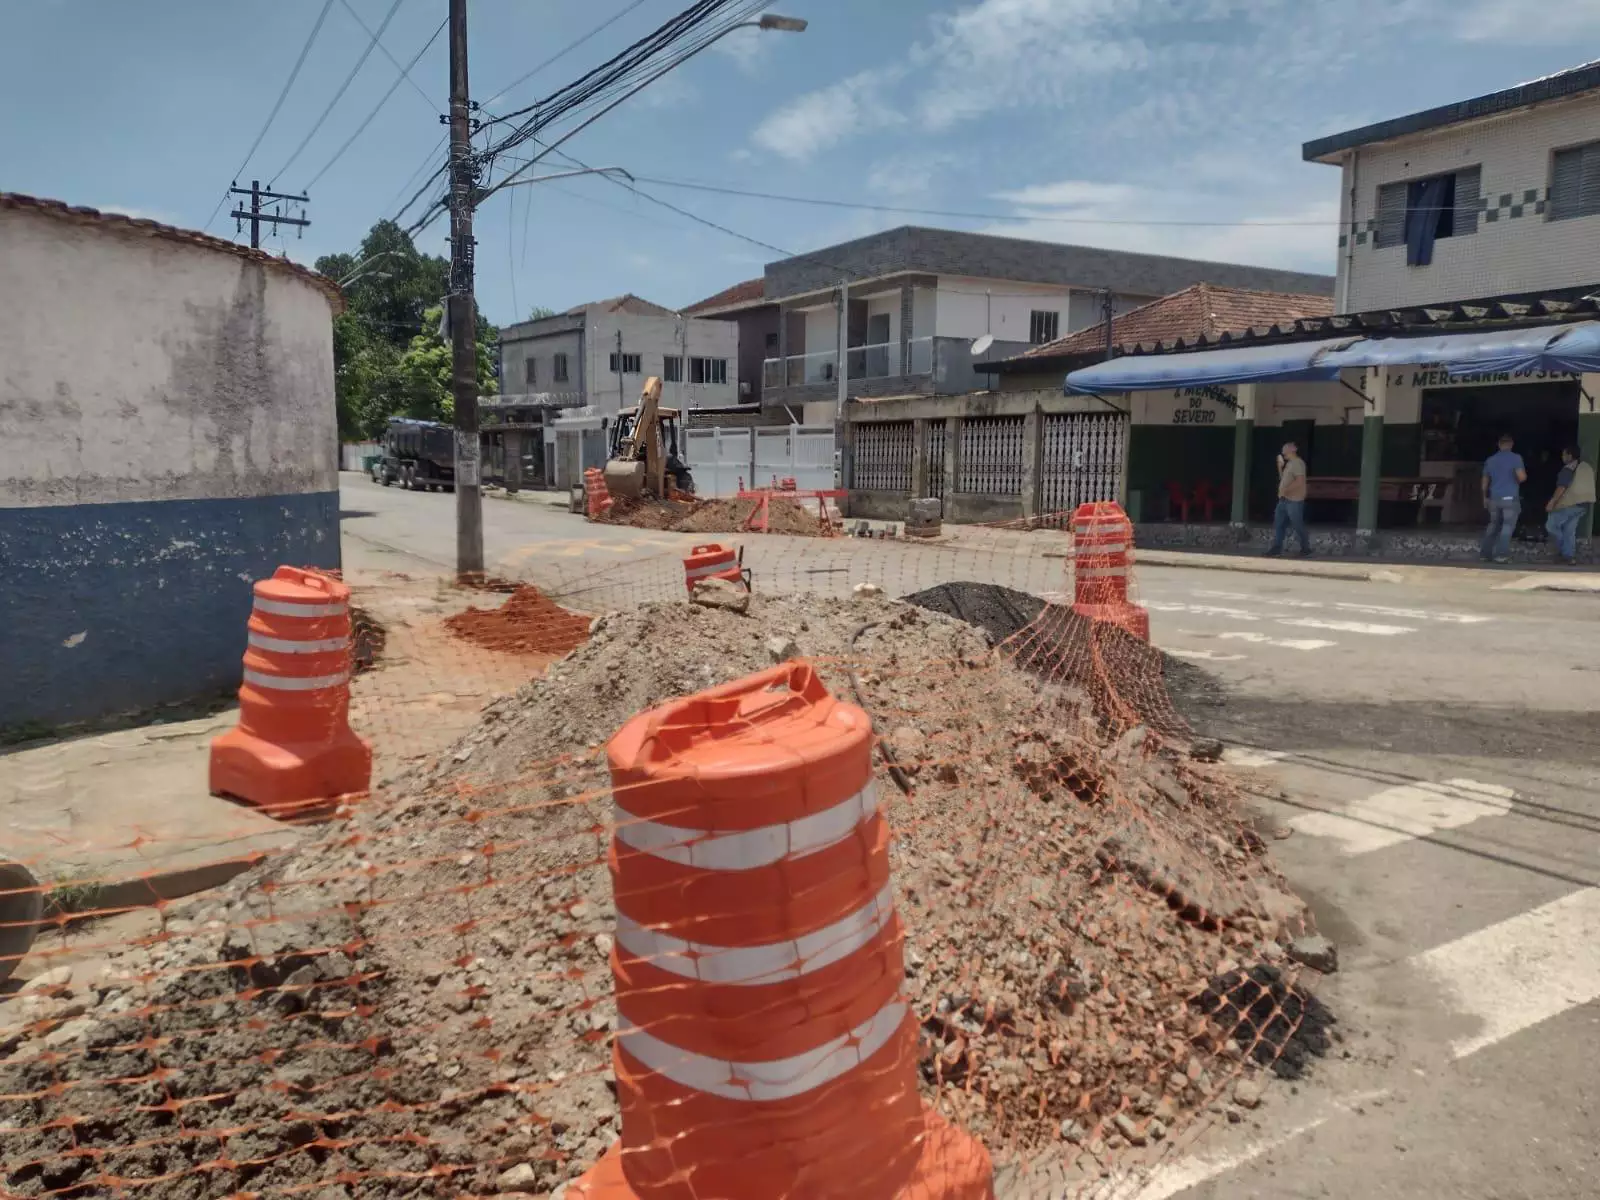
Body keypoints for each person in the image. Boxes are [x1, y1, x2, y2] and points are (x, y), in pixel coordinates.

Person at [1479, 434, 1526, 563]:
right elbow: (1521, 477)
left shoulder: (1491, 460)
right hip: (1509, 498)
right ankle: (1501, 555)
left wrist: (1484, 497)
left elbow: (1484, 481)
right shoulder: (1516, 458)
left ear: (1499, 445)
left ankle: (1485, 554)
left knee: (1493, 525)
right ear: (1511, 445)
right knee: (1507, 526)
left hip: (1494, 498)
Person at [1544, 446, 1595, 566]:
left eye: (1564, 454)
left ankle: (1564, 549)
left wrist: (1552, 502)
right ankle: (1569, 557)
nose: (1562, 457)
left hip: (1570, 503)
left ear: (1570, 456)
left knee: (1551, 525)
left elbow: (1561, 487)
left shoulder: (1568, 469)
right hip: (1584, 504)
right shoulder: (1586, 467)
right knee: (1569, 531)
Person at [1266, 441, 1310, 557]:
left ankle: (1306, 548)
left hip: (1294, 500)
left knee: (1297, 524)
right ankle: (1277, 548)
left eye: (1285, 451)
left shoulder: (1298, 463)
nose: (1283, 454)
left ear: (1292, 450)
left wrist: (1285, 490)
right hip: (1284, 500)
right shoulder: (1289, 464)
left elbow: (1299, 481)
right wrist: (1280, 467)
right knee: (1279, 524)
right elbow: (1283, 480)